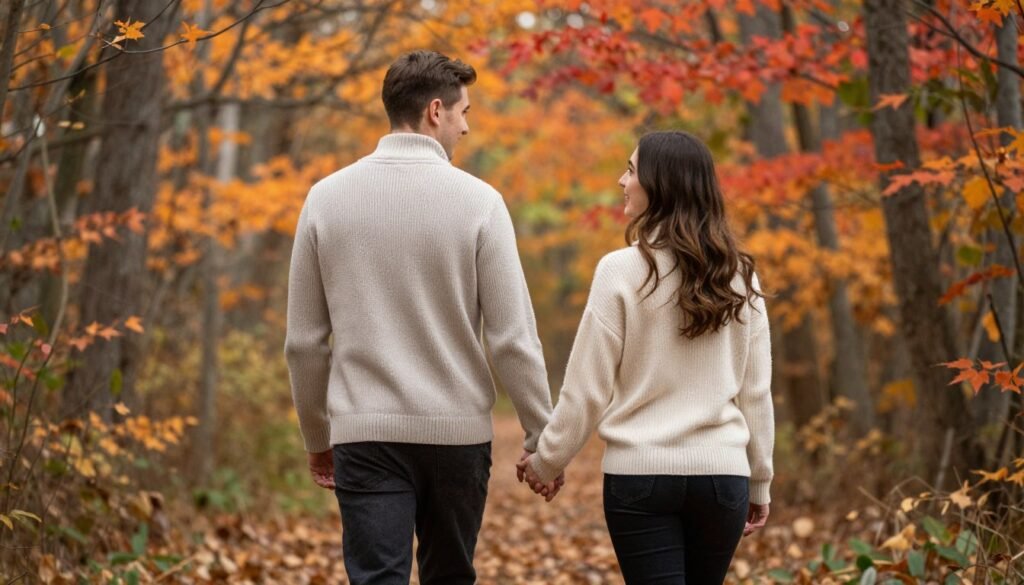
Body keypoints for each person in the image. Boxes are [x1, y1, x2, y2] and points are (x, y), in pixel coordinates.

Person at [284, 50, 556, 585]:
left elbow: (304, 342)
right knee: (449, 576)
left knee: (377, 577)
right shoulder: (481, 202)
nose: (467, 126)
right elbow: (512, 339)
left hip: (366, 431)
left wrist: (318, 436)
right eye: (464, 113)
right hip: (457, 436)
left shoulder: (325, 199)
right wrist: (542, 435)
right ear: (436, 111)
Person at [518, 130, 775, 584]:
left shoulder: (619, 271)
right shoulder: (740, 276)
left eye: (632, 170)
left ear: (661, 185)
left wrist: (547, 461)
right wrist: (759, 479)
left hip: (641, 479)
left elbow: (586, 389)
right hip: (722, 480)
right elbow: (755, 393)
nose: (622, 180)